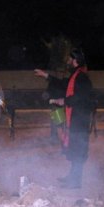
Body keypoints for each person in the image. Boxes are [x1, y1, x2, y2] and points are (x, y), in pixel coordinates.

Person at [35, 48, 93, 189]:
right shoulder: (75, 76)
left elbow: (82, 97)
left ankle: (76, 182)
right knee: (74, 149)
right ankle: (72, 177)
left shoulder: (82, 77)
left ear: (75, 60)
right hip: (75, 119)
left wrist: (65, 101)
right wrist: (46, 75)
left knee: (78, 151)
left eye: (69, 59)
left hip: (80, 120)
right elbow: (62, 84)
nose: (67, 61)